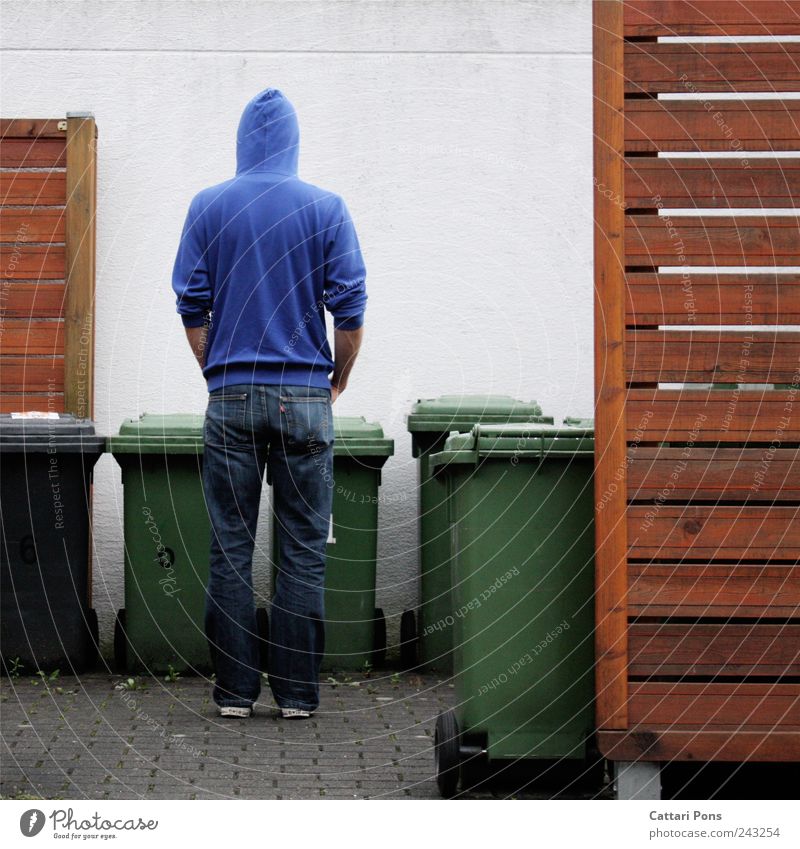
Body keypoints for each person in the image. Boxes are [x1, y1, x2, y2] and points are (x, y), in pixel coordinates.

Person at [171, 88, 366, 719]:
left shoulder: (208, 206)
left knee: (230, 548)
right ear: (293, 142)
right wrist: (336, 377)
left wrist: (215, 370)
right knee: (303, 551)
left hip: (230, 398)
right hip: (306, 399)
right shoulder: (326, 207)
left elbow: (191, 306)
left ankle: (233, 695)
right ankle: (299, 698)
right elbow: (352, 307)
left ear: (241, 143)